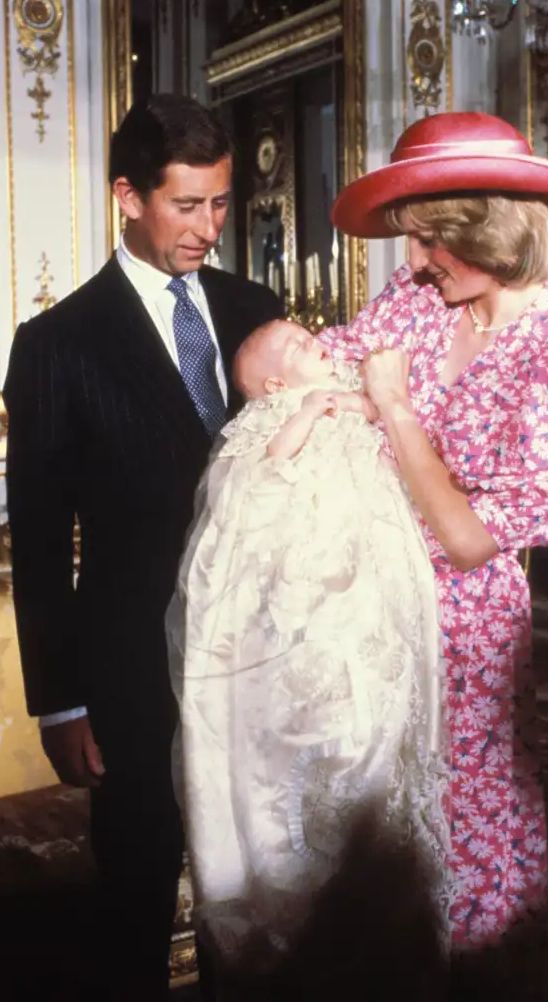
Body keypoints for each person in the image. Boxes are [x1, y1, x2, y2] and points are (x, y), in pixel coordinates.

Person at [320, 111, 548, 993]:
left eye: (427, 241)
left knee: (471, 835)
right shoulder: (416, 304)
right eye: (412, 241)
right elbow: (317, 368)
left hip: (466, 634)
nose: (410, 262)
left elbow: (465, 538)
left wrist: (395, 410)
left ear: (484, 229)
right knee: (374, 824)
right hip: (366, 612)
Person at [3, 94, 281, 1000]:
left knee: (267, 882)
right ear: (128, 195)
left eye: (220, 202)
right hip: (129, 673)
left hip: (263, 657)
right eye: (186, 205)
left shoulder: (257, 310)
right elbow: (42, 546)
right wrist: (60, 704)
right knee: (134, 889)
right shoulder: (56, 345)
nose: (209, 227)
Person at [166, 318, 449, 983]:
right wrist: (309, 410)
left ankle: (384, 899)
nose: (310, 338)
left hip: (367, 561)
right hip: (304, 576)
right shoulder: (272, 416)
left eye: (305, 332)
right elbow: (266, 469)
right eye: (292, 345)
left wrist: (356, 402)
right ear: (272, 385)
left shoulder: (346, 388)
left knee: (379, 705)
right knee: (315, 711)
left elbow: (387, 417)